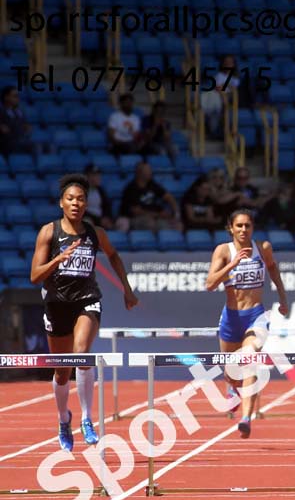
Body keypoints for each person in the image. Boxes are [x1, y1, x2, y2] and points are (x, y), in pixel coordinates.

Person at [30, 174, 139, 452]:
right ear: (61, 203)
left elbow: (113, 255)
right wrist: (58, 260)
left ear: (87, 204)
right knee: (62, 371)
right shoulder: (49, 232)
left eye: (80, 199)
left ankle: (87, 419)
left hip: (86, 300)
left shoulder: (95, 233)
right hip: (57, 304)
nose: (76, 203)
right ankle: (63, 419)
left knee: (82, 353)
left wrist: (126, 289)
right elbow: (34, 276)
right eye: (70, 199)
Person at [205, 209, 290, 438]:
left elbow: (272, 268)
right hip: (231, 318)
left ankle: (246, 418)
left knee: (250, 360)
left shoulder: (263, 248)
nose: (243, 230)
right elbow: (210, 284)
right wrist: (232, 264)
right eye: (239, 226)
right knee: (231, 373)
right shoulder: (223, 251)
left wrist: (283, 298)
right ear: (231, 228)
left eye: (247, 226)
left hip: (256, 316)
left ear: (253, 228)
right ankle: (233, 388)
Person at [118, 162, 182, 232]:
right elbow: (136, 212)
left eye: (150, 170)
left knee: (174, 225)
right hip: (136, 218)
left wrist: (176, 214)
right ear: (139, 173)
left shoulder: (152, 184)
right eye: (148, 171)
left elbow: (169, 197)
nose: (151, 173)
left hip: (156, 217)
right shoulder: (131, 189)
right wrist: (158, 215)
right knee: (151, 223)